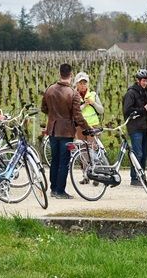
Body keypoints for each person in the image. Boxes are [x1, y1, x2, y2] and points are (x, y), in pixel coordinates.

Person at [41, 63, 90, 199]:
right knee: (64, 162)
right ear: (71, 75)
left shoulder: (49, 89)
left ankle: (53, 188)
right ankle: (60, 191)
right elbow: (78, 116)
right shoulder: (73, 94)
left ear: (60, 73)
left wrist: (53, 114)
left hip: (52, 130)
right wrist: (88, 129)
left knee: (55, 160)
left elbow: (43, 108)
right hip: (66, 132)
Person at [122, 68, 147, 186]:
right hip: (135, 127)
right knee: (138, 153)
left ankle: (141, 175)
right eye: (143, 80)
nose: (145, 83)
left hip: (146, 127)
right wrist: (143, 110)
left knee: (145, 153)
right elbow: (127, 110)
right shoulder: (131, 93)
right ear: (138, 80)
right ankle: (134, 178)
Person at [73, 71, 104, 140]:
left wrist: (93, 103)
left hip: (93, 126)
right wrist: (84, 105)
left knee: (92, 148)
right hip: (79, 126)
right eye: (80, 83)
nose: (83, 85)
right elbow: (72, 112)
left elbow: (101, 111)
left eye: (85, 83)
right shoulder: (73, 96)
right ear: (76, 84)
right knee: (82, 148)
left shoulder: (93, 95)